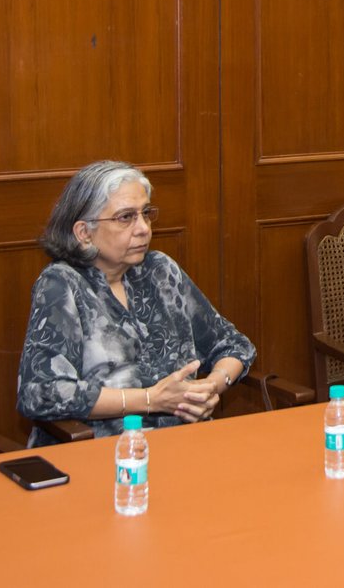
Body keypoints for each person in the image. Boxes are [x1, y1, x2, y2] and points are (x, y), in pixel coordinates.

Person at [17, 160, 254, 445]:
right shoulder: (61, 284)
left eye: (146, 213)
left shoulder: (160, 271)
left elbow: (234, 345)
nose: (143, 228)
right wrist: (151, 399)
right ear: (84, 233)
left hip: (185, 444)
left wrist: (208, 388)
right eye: (125, 217)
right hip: (104, 452)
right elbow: (40, 392)